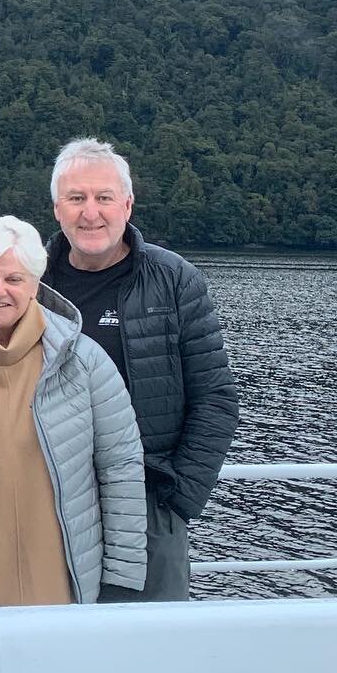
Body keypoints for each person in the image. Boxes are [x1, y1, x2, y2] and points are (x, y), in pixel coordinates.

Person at [0, 215, 146, 673]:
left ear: (36, 281)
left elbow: (121, 468)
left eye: (14, 278)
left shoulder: (85, 359)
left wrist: (120, 578)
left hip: (67, 594)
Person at [42, 137, 239, 601]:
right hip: (51, 507)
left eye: (104, 197)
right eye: (77, 198)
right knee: (57, 654)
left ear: (127, 205)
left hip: (150, 503)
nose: (91, 212)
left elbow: (216, 397)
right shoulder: (32, 283)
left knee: (152, 654)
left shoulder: (174, 280)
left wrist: (177, 500)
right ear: (56, 209)